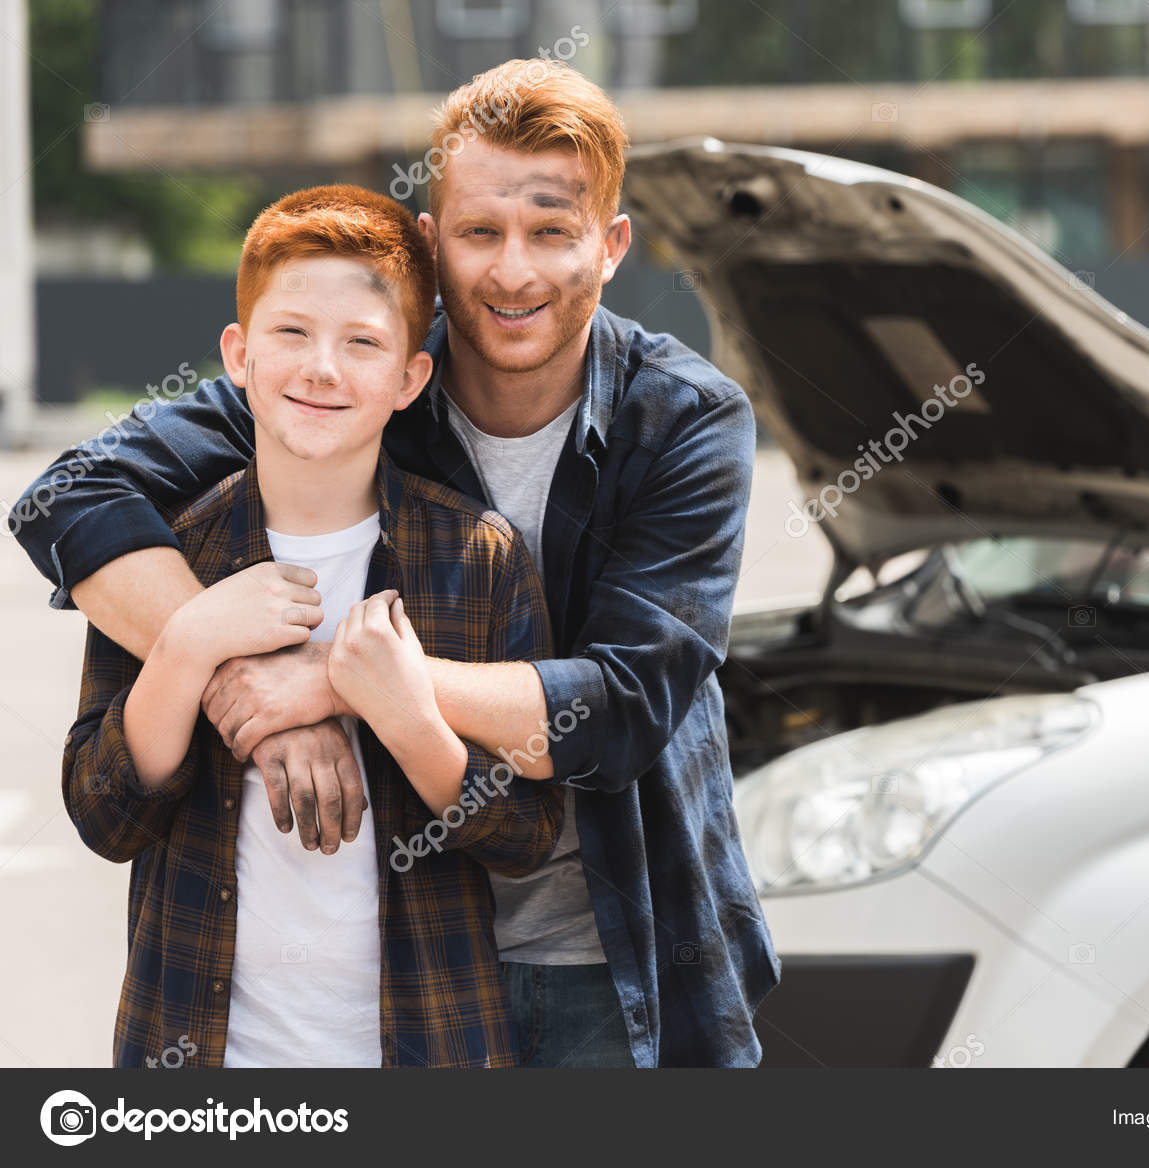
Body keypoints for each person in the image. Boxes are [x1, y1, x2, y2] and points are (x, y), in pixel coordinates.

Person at [19, 59, 778, 1067]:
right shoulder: (360, 373)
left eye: (551, 231)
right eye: (478, 232)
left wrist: (344, 679)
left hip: (615, 958)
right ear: (431, 240)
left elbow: (623, 704)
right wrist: (236, 674)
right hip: (406, 967)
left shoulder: (683, 419)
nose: (512, 270)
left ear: (610, 245)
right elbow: (64, 494)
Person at [61, 184, 564, 1068]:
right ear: (239, 354)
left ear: (411, 377)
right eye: (291, 333)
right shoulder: (168, 559)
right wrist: (189, 644)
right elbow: (106, 817)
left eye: (363, 343)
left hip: (427, 1049)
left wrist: (404, 716)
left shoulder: (480, 560)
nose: (322, 368)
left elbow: (525, 835)